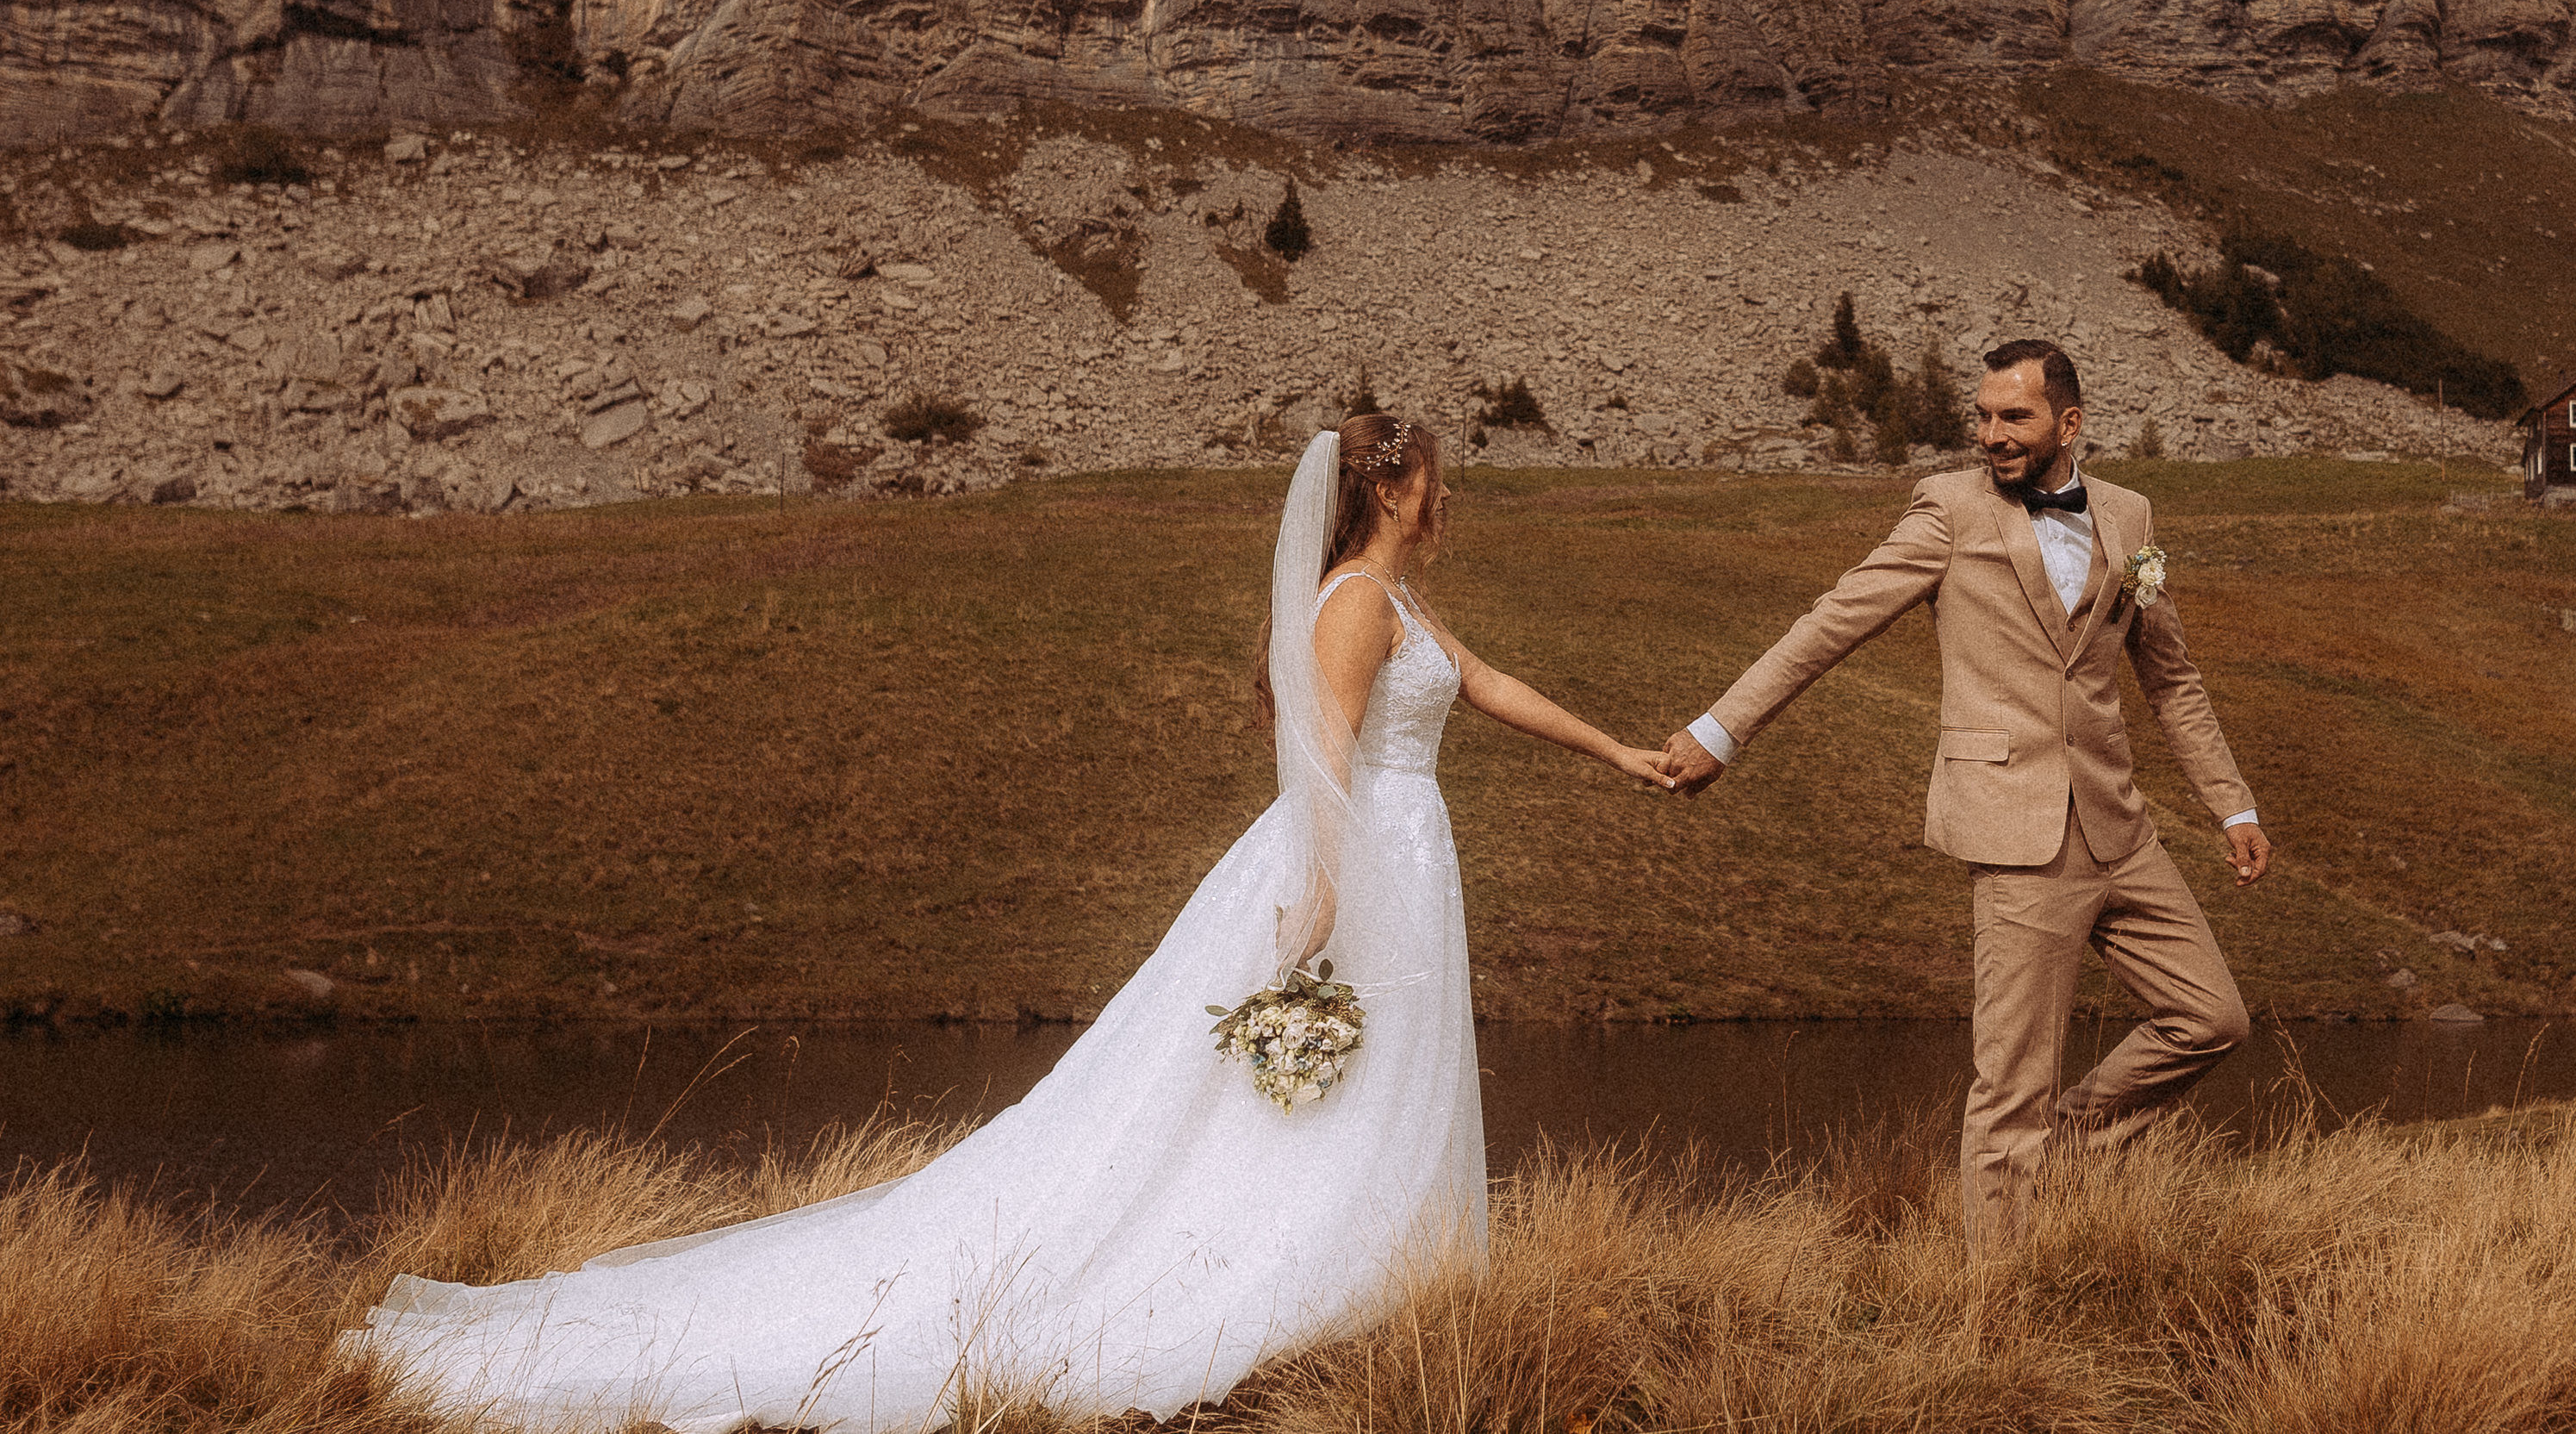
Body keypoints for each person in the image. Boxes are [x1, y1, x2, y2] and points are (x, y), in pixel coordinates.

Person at [350, 416, 1668, 1430]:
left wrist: (1619, 752)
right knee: (1273, 1099)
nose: (1449, 497)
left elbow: (1484, 685)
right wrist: (1321, 888)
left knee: (1383, 1085)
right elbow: (1319, 750)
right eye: (1434, 476)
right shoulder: (1354, 603)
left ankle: (1379, 1276)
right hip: (1361, 851)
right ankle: (1299, 1276)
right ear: (1389, 487)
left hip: (1409, 853)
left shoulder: (1407, 604)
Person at [1660, 340, 2269, 1249]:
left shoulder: (2131, 516)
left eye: (2013, 417)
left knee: (2211, 1017)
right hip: (2014, 832)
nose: (1991, 435)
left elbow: (2170, 680)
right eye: (1981, 417)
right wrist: (1721, 730)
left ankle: (2061, 1146)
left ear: (2068, 424)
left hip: (2118, 826)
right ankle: (1994, 1312)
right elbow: (1832, 624)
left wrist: (2233, 804)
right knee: (2009, 1087)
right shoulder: (1947, 510)